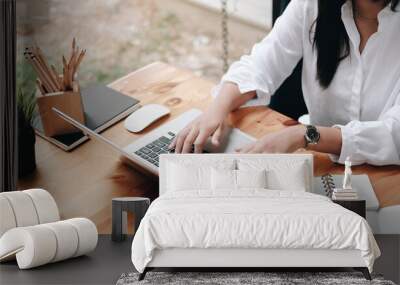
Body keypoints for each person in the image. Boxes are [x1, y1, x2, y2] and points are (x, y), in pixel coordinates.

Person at [169, 0, 400, 166]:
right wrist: (217, 108)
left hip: (389, 179)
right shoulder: (311, 6)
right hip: (323, 166)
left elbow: (394, 133)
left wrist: (304, 135)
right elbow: (261, 63)